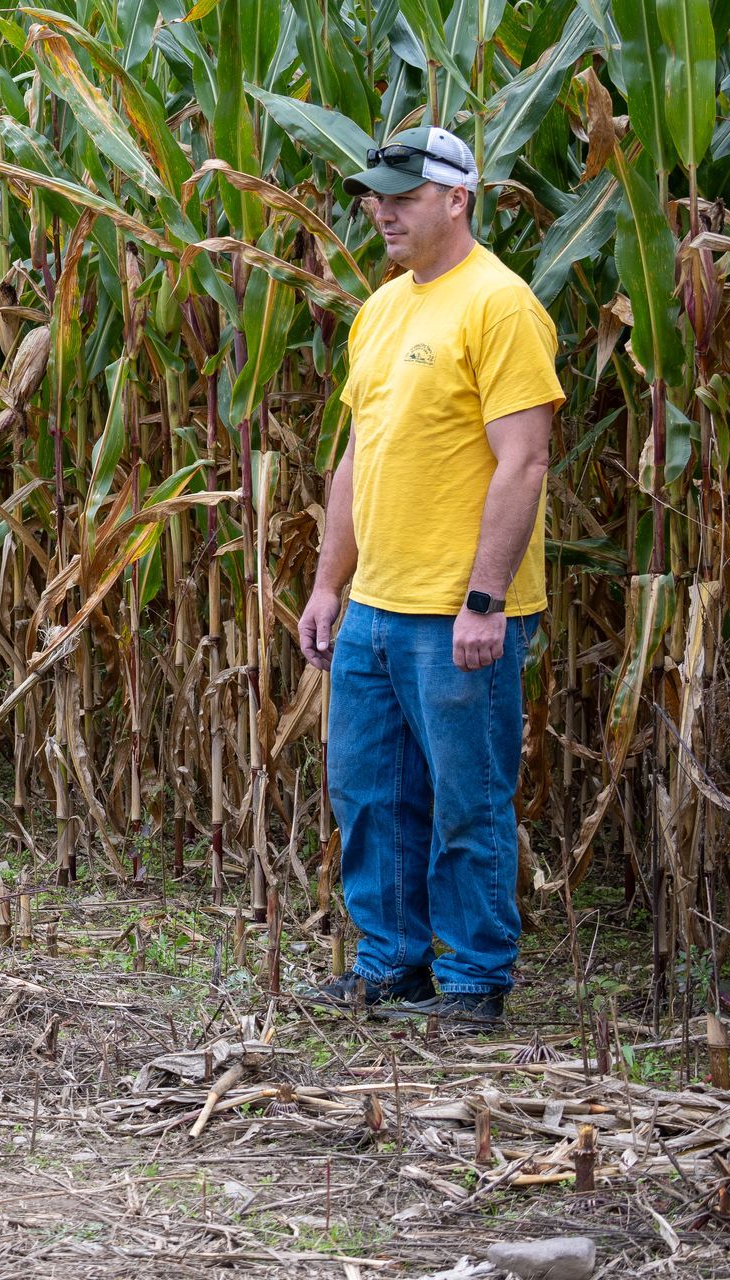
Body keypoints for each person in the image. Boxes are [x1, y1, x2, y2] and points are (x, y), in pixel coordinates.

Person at [296, 128, 563, 1029]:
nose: (381, 211)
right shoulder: (381, 310)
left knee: (467, 801)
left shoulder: (500, 305)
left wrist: (485, 600)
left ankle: (477, 979)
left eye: (402, 196)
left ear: (458, 198)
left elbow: (524, 463)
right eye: (376, 196)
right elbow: (357, 458)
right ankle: (391, 965)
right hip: (374, 608)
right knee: (369, 795)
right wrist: (331, 584)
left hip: (456, 612)